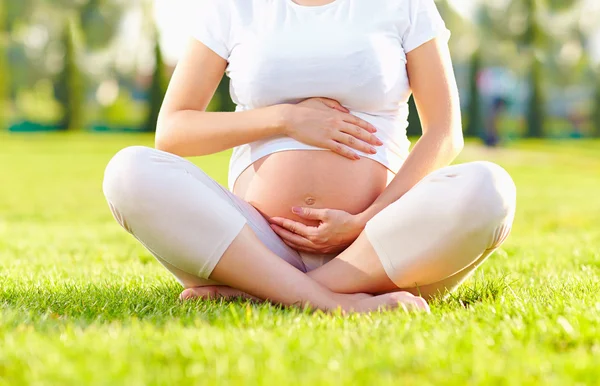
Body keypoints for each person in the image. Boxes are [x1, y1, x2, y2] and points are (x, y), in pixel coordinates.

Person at [103, 0, 517, 313]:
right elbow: (173, 132)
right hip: (256, 245)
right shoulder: (233, 6)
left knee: (489, 189)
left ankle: (265, 292)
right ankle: (339, 300)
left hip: (373, 244)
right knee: (129, 172)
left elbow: (445, 132)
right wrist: (286, 119)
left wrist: (364, 220)